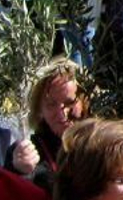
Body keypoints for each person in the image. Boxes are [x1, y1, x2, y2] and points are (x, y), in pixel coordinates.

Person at [24, 58, 89, 192]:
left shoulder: (104, 145)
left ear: (85, 101)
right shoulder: (33, 155)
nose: (62, 114)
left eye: (70, 102)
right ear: (39, 109)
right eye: (51, 105)